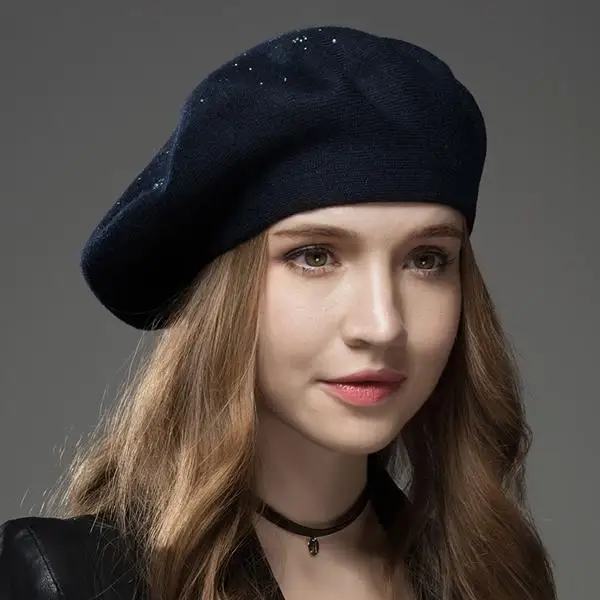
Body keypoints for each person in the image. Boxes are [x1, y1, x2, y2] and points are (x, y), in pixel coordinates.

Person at [0, 25, 557, 600]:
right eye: (315, 256)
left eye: (426, 259)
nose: (382, 325)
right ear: (225, 297)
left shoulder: (498, 577)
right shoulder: (73, 582)